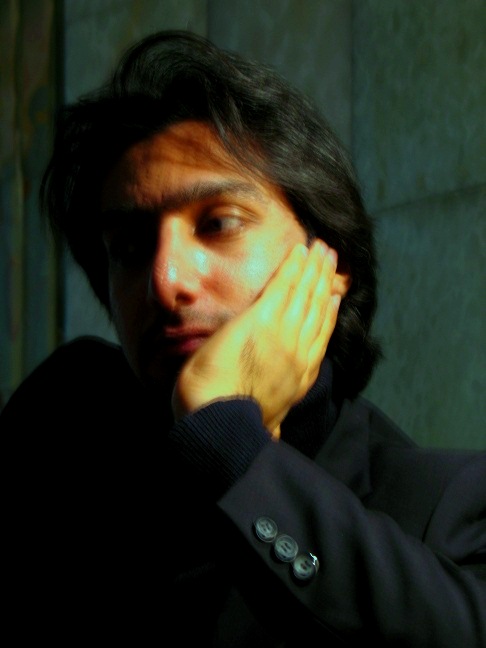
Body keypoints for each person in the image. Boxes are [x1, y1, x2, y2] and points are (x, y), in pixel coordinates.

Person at [1, 30, 484, 646]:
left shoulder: (447, 505)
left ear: (330, 266)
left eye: (218, 224)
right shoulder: (60, 455)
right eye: (129, 247)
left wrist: (230, 449)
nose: (165, 280)